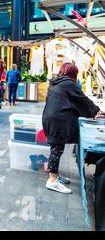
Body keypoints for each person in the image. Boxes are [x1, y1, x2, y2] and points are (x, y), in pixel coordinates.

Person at [42, 62, 102, 194]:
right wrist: (96, 111)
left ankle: (55, 175)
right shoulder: (68, 83)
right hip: (57, 120)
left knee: (57, 148)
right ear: (72, 73)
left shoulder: (55, 82)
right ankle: (52, 180)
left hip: (50, 118)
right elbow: (81, 99)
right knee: (56, 149)